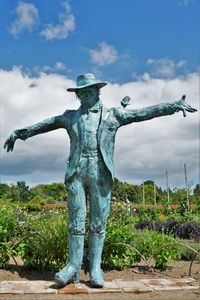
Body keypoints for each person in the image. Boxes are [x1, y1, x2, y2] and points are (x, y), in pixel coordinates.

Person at [4, 73, 197, 288]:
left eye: (89, 91)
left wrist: (174, 105)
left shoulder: (113, 115)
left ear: (98, 91)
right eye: (82, 92)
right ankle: (72, 266)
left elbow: (144, 113)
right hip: (77, 172)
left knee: (98, 223)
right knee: (75, 223)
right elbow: (46, 124)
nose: (86, 95)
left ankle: (95, 268)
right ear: (78, 95)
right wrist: (19, 133)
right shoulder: (70, 117)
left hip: (101, 173)